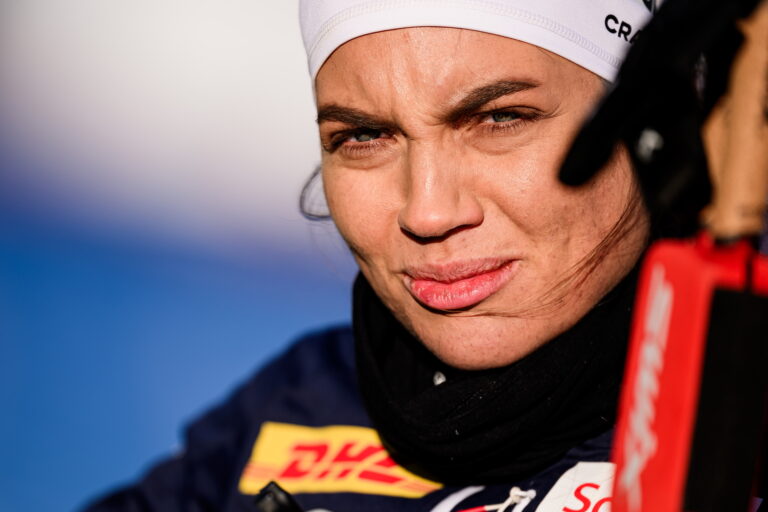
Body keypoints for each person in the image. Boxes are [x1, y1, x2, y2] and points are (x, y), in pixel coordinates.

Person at [83, 1, 657, 510]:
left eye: (499, 118)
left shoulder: (736, 429)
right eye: (363, 135)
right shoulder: (290, 409)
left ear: (655, 130)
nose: (427, 212)